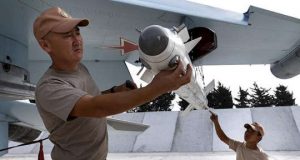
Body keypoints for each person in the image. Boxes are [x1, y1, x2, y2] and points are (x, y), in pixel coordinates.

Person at [33, 7, 192, 160]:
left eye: (77, 32)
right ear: (45, 45)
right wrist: (157, 88)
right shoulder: (49, 87)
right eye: (67, 35)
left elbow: (89, 101)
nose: (77, 40)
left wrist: (116, 91)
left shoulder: (79, 69)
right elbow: (96, 107)